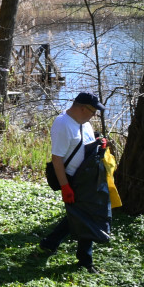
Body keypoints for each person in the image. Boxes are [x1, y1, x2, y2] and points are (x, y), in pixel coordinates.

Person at [38, 92, 110, 273]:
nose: (94, 115)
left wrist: (99, 142)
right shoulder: (63, 125)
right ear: (83, 108)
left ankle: (50, 243)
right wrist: (65, 187)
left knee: (78, 213)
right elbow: (57, 159)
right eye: (93, 111)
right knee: (86, 216)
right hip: (73, 179)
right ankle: (85, 261)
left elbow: (85, 143)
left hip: (87, 178)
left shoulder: (84, 123)